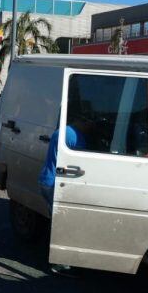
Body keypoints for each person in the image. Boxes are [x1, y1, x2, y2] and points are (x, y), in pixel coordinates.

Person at [38, 115, 88, 277]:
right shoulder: (75, 136)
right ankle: (60, 263)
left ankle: (51, 255)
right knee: (63, 224)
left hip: (46, 179)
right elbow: (80, 162)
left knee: (55, 220)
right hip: (56, 182)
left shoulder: (62, 131)